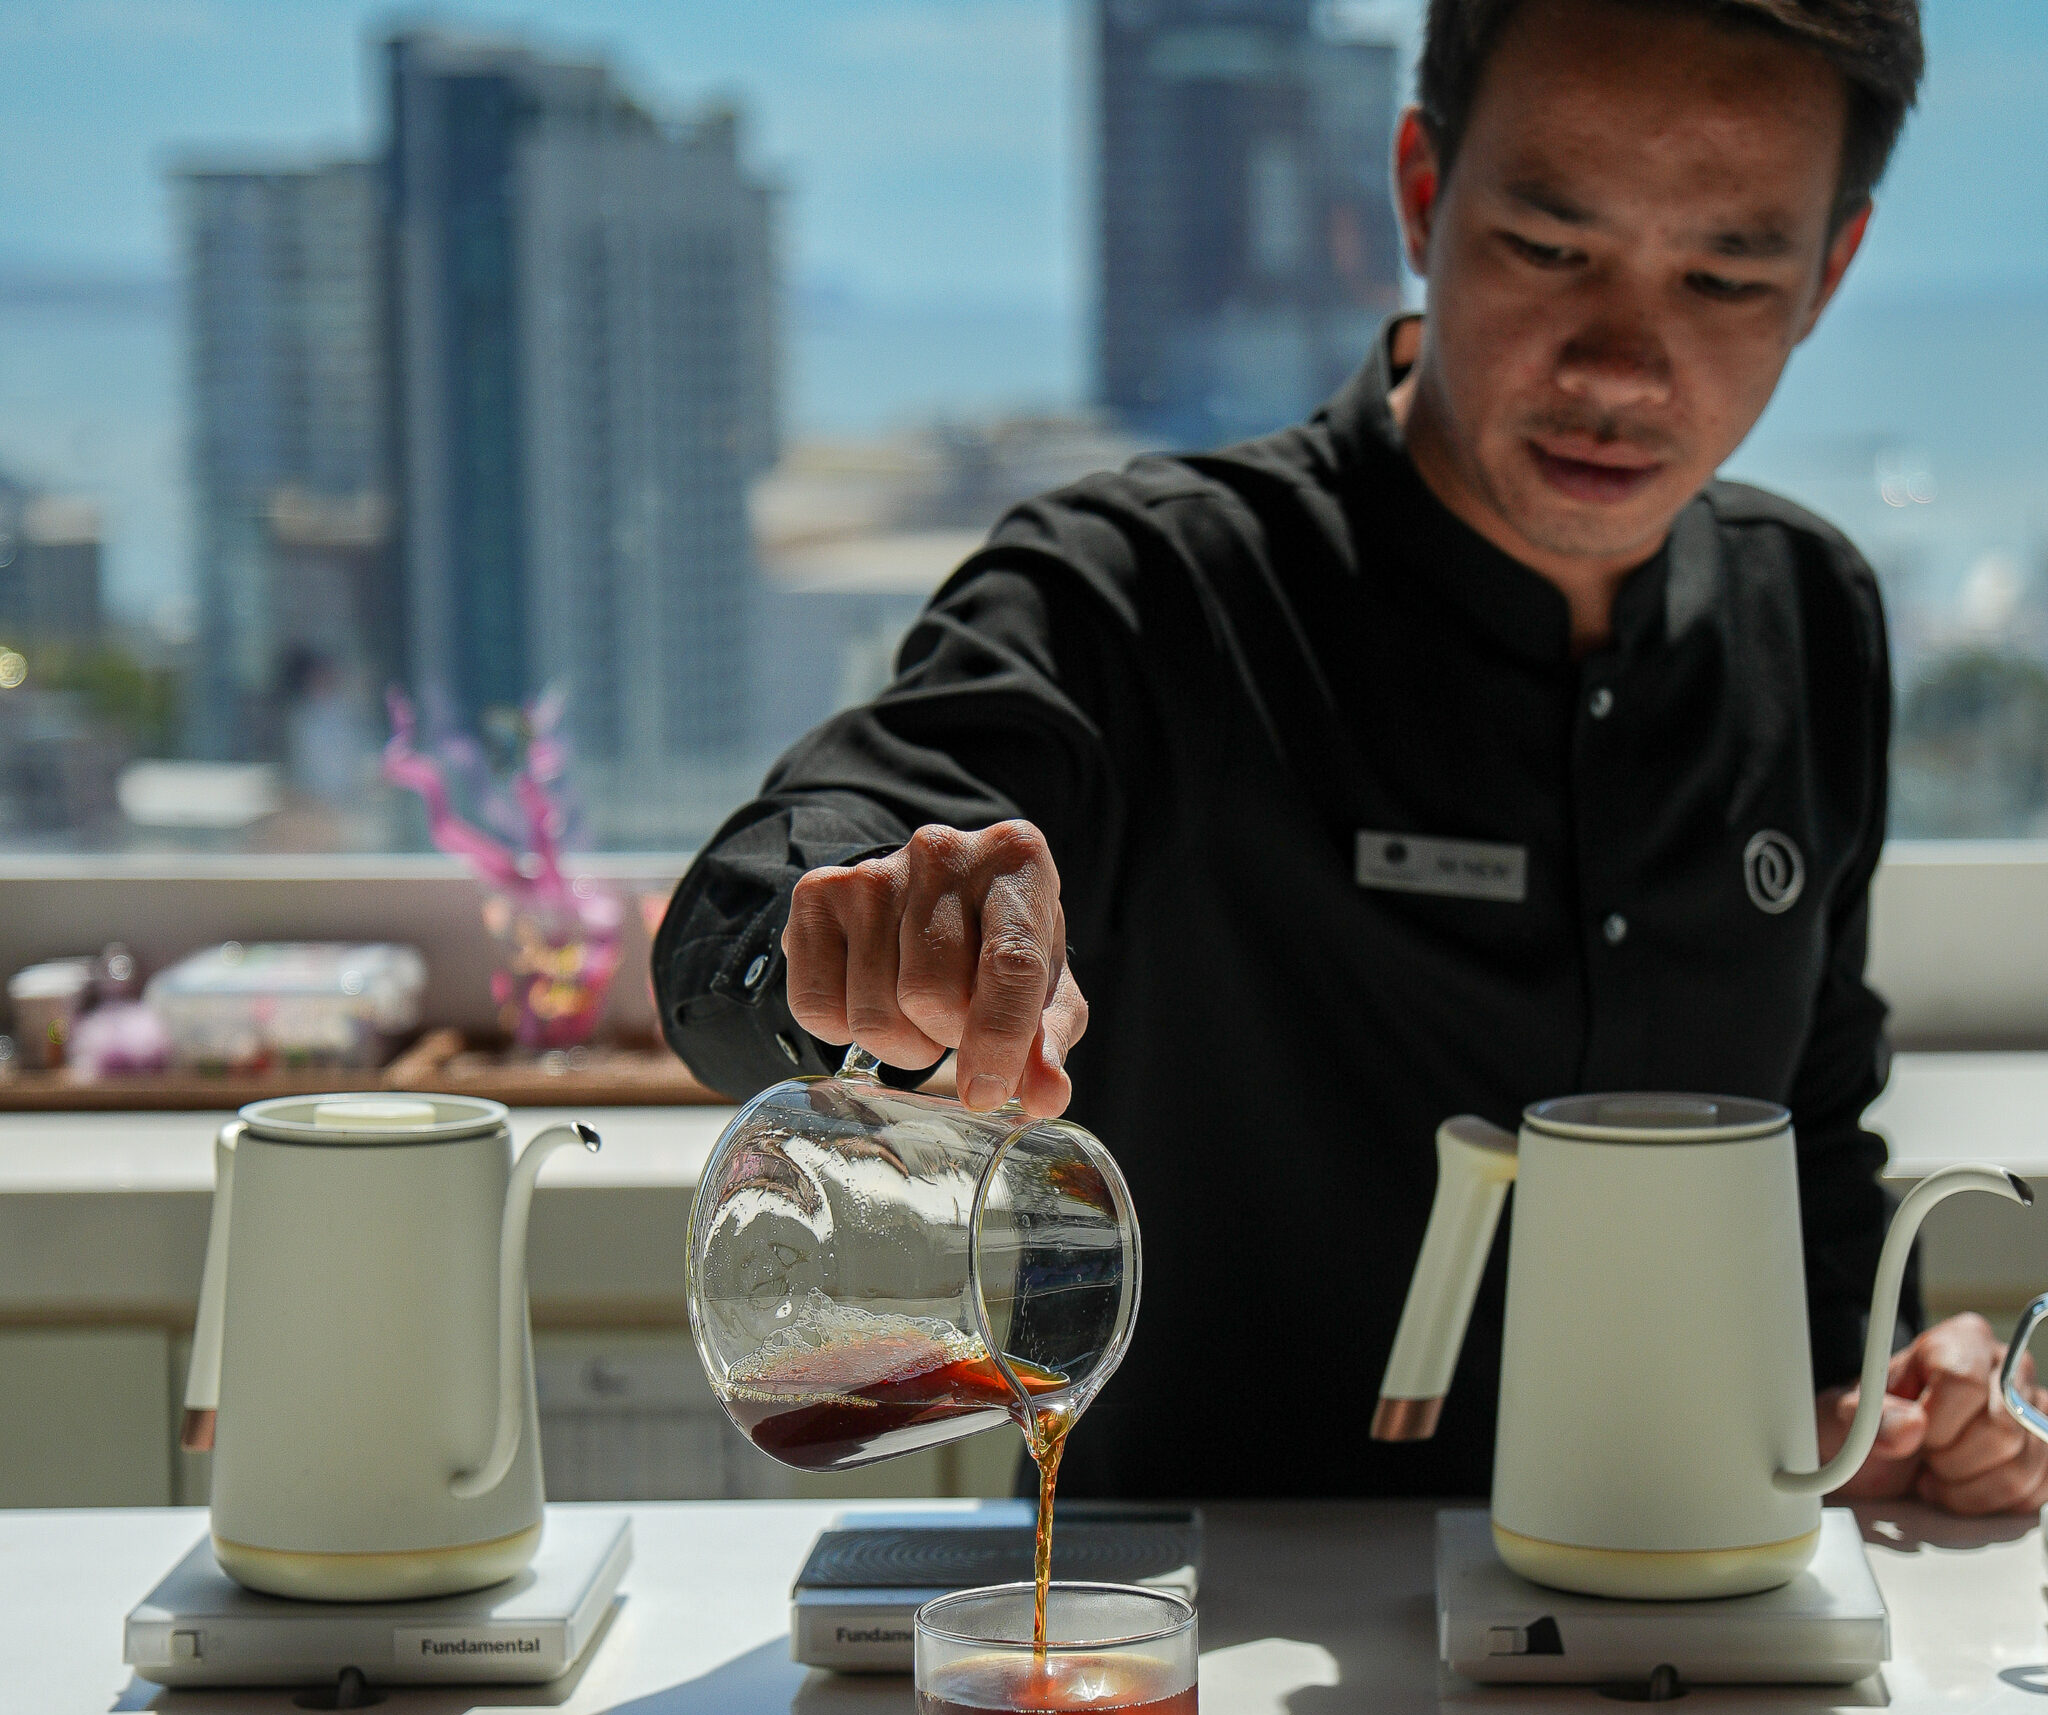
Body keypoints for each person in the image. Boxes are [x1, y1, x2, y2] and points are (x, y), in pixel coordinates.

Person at [656, 0, 2048, 1516]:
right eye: (1548, 245)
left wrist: (1895, 1386)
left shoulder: (1812, 614)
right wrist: (867, 931)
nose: (1625, 364)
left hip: (1698, 1618)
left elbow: (1816, 1133)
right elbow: (767, 885)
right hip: (1198, 1637)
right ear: (1421, 193)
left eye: (1726, 273)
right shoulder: (1147, 591)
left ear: (1829, 274)